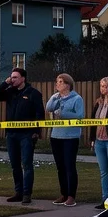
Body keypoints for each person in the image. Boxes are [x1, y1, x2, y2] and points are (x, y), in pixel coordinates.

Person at [0, 67, 44, 204]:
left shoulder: (33, 93)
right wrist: (5, 83)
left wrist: (36, 132)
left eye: (15, 77)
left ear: (23, 78)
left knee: (27, 164)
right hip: (11, 134)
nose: (12, 79)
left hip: (26, 134)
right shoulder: (10, 92)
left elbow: (40, 113)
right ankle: (18, 192)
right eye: (11, 77)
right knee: (15, 165)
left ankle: (27, 193)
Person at [45, 73, 85, 206]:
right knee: (60, 167)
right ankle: (63, 193)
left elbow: (79, 115)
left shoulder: (77, 99)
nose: (57, 84)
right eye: (57, 81)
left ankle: (71, 195)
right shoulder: (56, 97)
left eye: (61, 82)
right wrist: (56, 98)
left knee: (69, 166)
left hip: (70, 136)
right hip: (56, 136)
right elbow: (49, 108)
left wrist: (63, 114)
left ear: (68, 84)